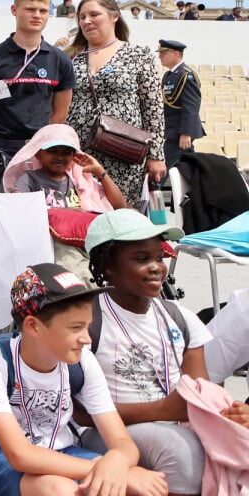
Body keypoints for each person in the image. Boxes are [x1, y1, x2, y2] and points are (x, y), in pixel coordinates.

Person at [0, 263, 169, 496]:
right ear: (33, 326)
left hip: (63, 451)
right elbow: (20, 455)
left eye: (88, 326)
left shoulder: (83, 362)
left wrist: (118, 463)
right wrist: (110, 470)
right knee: (62, 490)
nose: (87, 338)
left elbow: (122, 441)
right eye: (76, 328)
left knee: (124, 487)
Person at [83, 210, 208, 496]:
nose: (156, 267)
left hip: (173, 425)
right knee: (176, 447)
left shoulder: (180, 318)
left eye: (159, 258)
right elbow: (76, 410)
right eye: (141, 259)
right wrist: (161, 410)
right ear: (108, 265)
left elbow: (201, 392)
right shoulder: (88, 319)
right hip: (105, 433)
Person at [0, 0, 75, 194]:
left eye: (43, 10)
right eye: (30, 9)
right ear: (14, 10)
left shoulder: (60, 61)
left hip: (41, 152)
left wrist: (41, 146)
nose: (37, 15)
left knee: (39, 217)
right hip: (2, 150)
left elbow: (60, 114)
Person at [64, 0, 166, 207]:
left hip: (122, 154)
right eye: (82, 17)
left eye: (94, 14)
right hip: (78, 154)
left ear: (114, 17)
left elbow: (153, 108)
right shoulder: (70, 57)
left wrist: (156, 155)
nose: (86, 21)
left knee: (122, 224)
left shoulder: (138, 55)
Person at [3, 124, 127, 211]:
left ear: (74, 155)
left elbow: (120, 206)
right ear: (38, 154)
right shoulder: (30, 179)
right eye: (52, 151)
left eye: (66, 153)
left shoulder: (80, 181)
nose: (59, 157)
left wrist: (99, 171)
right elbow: (16, 203)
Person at [158, 39, 203, 170]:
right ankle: (202, 187)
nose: (160, 56)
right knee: (190, 167)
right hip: (171, 129)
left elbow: (191, 106)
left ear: (176, 54)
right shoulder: (168, 75)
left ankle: (152, 189)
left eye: (164, 53)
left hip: (179, 132)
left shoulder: (186, 75)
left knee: (161, 168)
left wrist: (186, 133)